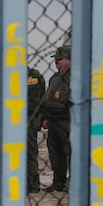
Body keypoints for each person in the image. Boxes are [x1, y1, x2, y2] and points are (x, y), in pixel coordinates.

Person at [40, 45, 71, 192]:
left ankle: (74, 182)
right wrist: (45, 117)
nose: (56, 63)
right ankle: (58, 182)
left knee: (71, 152)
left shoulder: (76, 77)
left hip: (68, 120)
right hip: (53, 120)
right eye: (56, 60)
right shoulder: (55, 78)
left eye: (60, 59)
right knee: (55, 153)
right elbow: (47, 98)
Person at [26, 66, 46, 194]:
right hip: (31, 117)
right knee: (31, 152)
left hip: (14, 117)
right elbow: (43, 98)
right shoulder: (36, 76)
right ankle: (32, 184)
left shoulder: (8, 74)